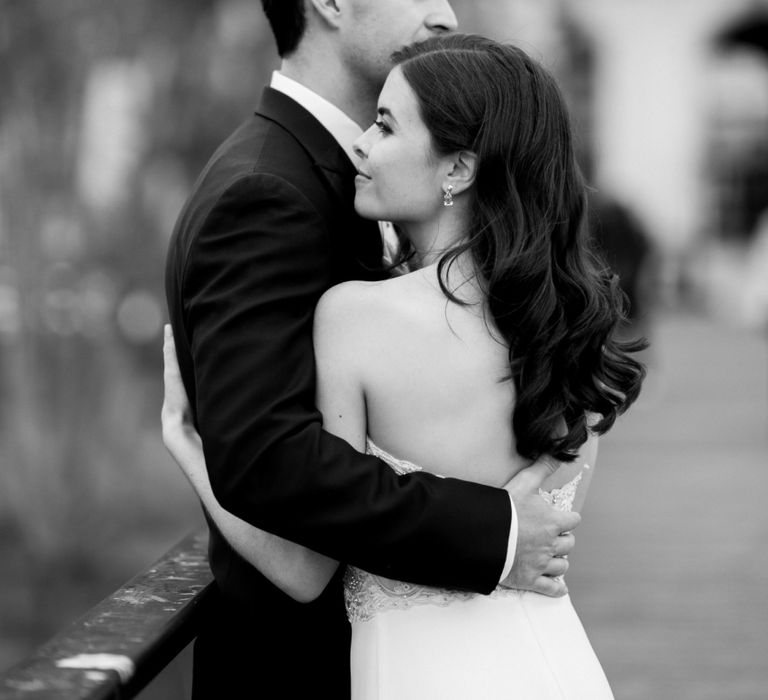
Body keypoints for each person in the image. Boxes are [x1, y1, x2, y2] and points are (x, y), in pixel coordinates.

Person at [163, 32, 646, 700]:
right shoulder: (572, 323)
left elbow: (304, 571)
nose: (361, 144)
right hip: (550, 667)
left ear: (457, 170)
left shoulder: (355, 318)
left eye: (386, 126)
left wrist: (193, 448)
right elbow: (547, 538)